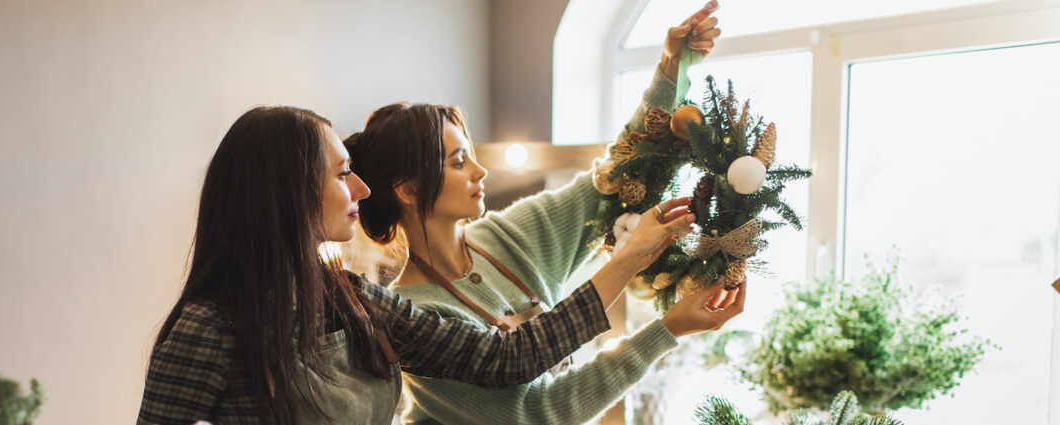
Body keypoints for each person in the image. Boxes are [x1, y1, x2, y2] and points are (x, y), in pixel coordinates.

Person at [135, 105, 718, 425]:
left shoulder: (352, 298)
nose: (360, 186)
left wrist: (635, 265)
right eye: (341, 174)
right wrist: (631, 263)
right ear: (288, 191)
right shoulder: (209, 329)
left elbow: (508, 360)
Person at [344, 3, 740, 424]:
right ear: (409, 189)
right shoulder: (414, 316)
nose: (480, 171)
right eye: (458, 162)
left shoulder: (505, 238)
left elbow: (611, 181)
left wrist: (669, 69)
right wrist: (665, 327)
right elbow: (542, 412)